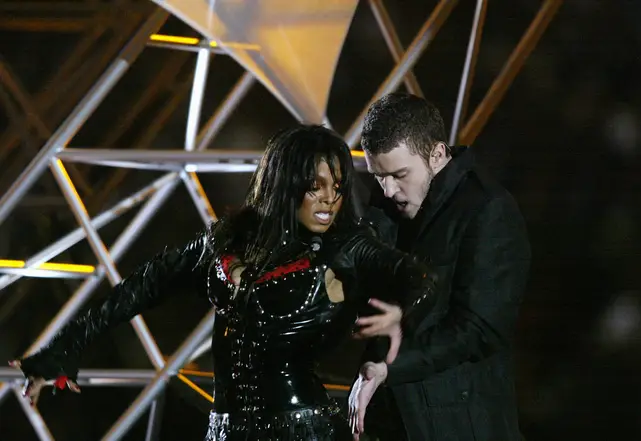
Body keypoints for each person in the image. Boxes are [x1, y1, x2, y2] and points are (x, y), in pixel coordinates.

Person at [9, 124, 438, 441]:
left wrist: (392, 330)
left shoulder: (348, 247)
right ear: (285, 185)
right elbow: (139, 288)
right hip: (224, 432)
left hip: (303, 431)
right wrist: (63, 348)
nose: (329, 198)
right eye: (315, 186)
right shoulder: (226, 241)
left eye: (338, 187)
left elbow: (421, 281)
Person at [348, 93, 532, 441]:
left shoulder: (487, 209)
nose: (388, 190)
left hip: (459, 424)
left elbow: (478, 329)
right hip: (394, 418)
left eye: (399, 174)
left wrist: (390, 368)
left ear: (437, 154)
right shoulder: (386, 207)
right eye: (379, 177)